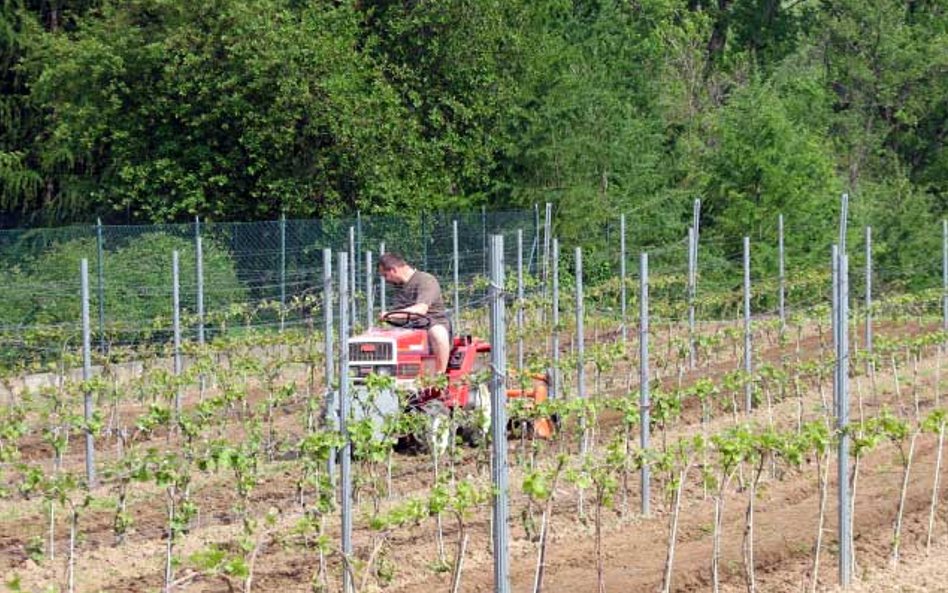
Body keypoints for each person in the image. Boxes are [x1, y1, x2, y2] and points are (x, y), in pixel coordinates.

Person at [377, 253, 451, 373]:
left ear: (393, 270)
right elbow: (401, 314)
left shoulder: (426, 280)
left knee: (438, 333)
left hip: (431, 323)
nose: (386, 280)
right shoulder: (398, 286)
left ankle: (440, 376)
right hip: (408, 326)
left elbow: (420, 310)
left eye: (385, 275)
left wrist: (390, 314)